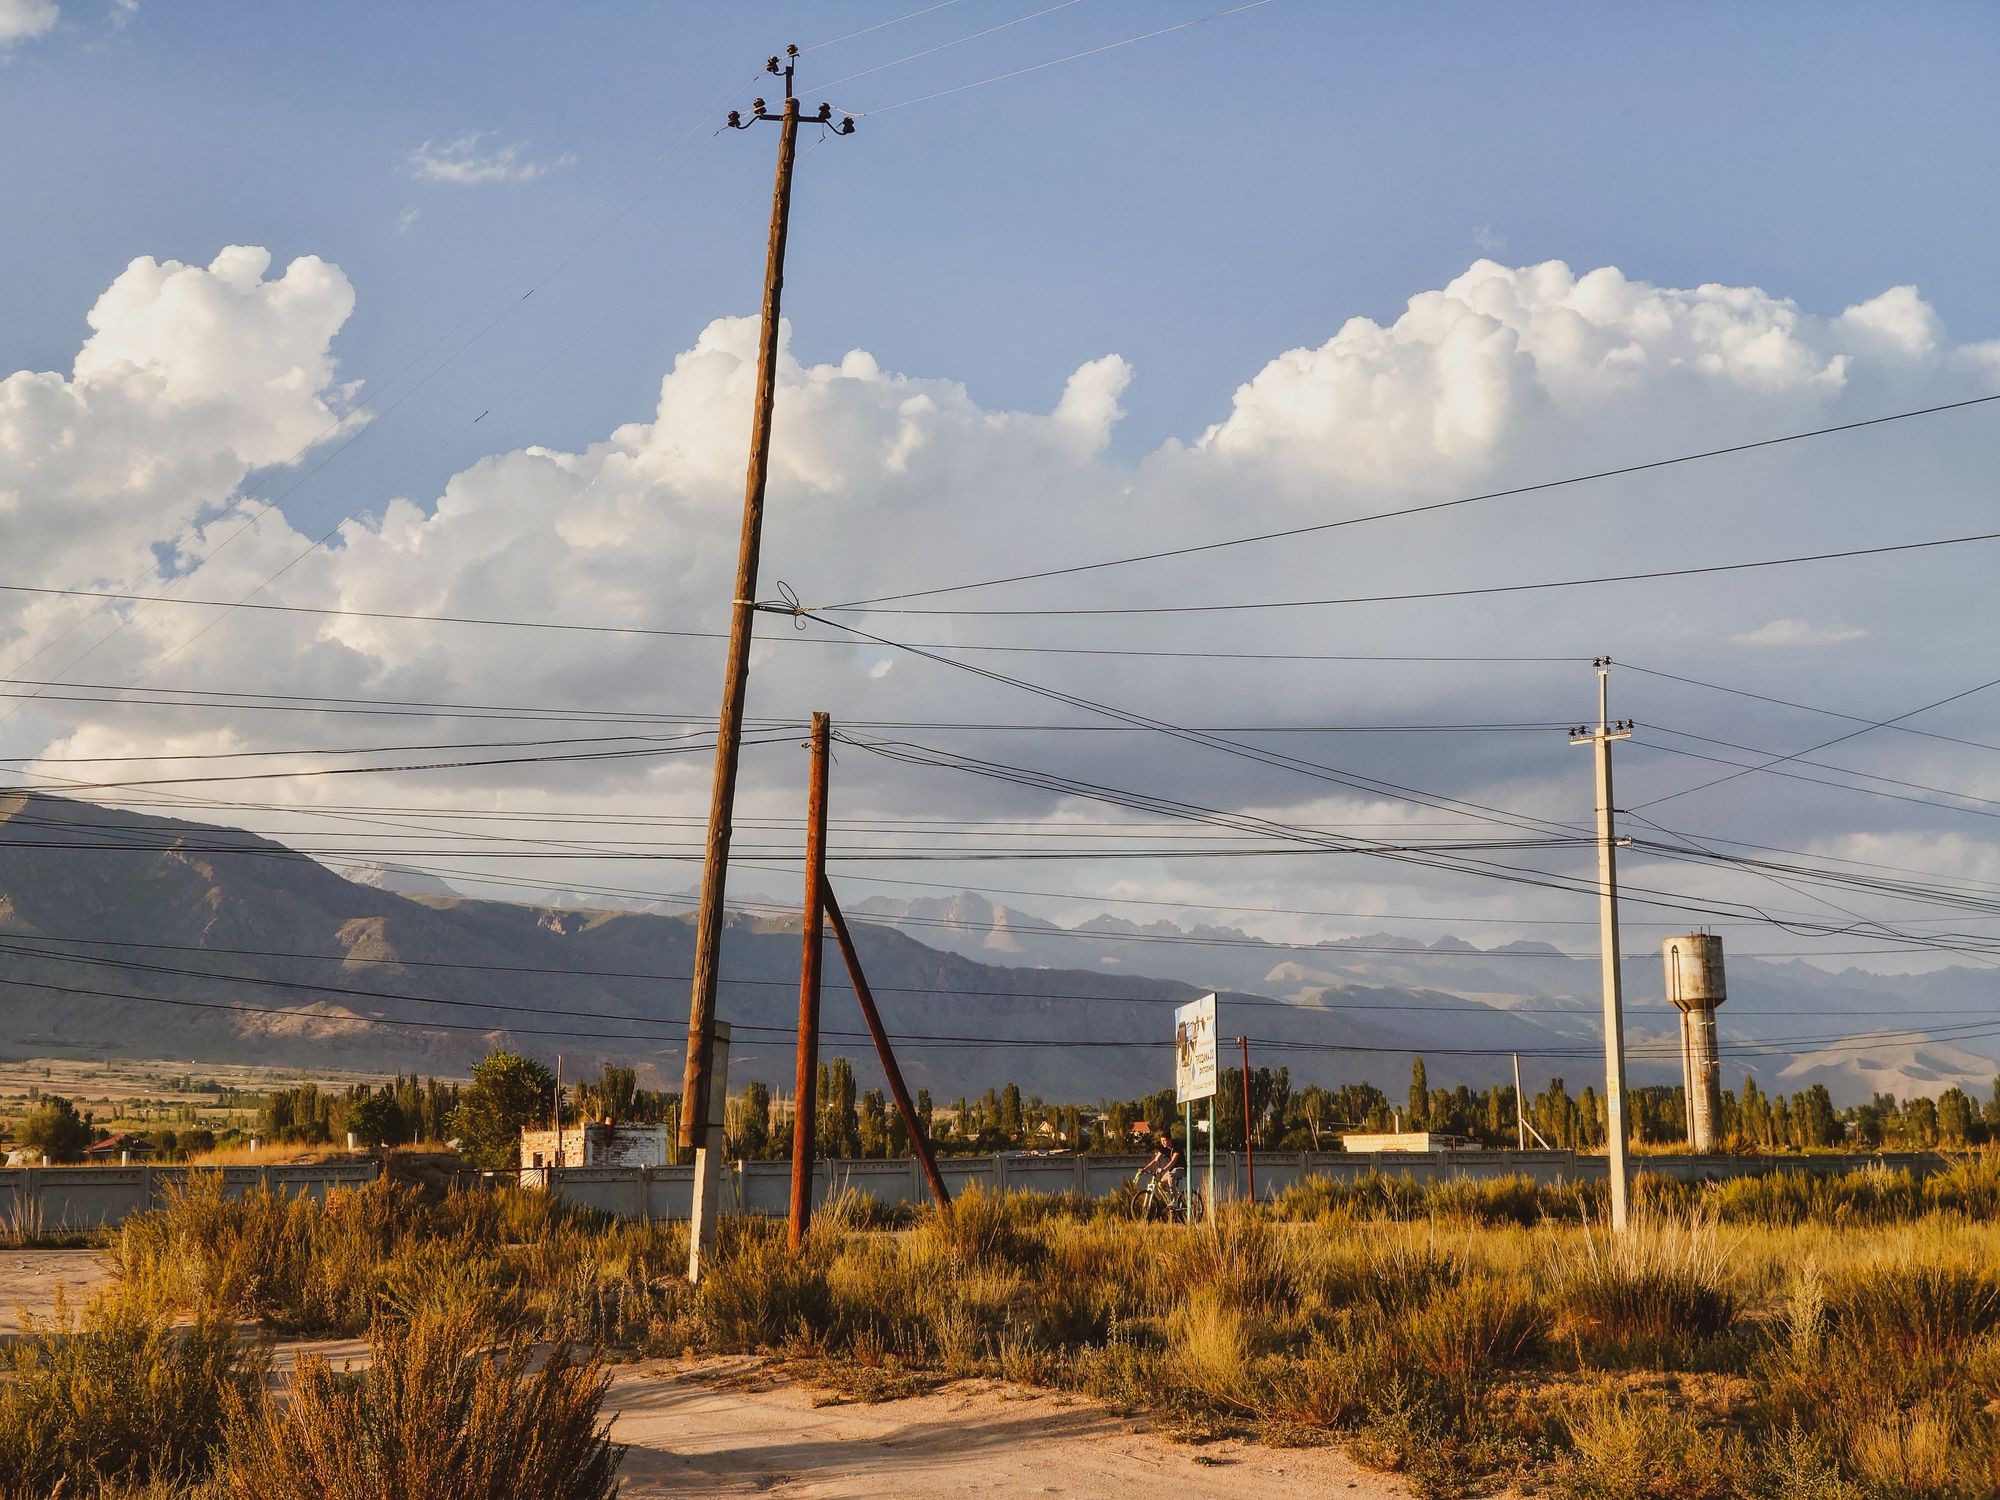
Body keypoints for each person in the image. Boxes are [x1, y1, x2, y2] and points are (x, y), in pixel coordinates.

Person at [1138, 1129, 1182, 1211]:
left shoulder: (1176, 1147)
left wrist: (1163, 1169)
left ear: (1170, 1140)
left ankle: (1175, 1200)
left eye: (1165, 1141)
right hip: (1171, 1170)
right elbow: (1155, 1160)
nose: (1163, 1143)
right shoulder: (1163, 1148)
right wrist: (1144, 1169)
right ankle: (1171, 1202)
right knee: (1161, 1185)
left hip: (1180, 1169)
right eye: (1162, 1141)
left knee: (1171, 1175)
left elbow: (1173, 1161)